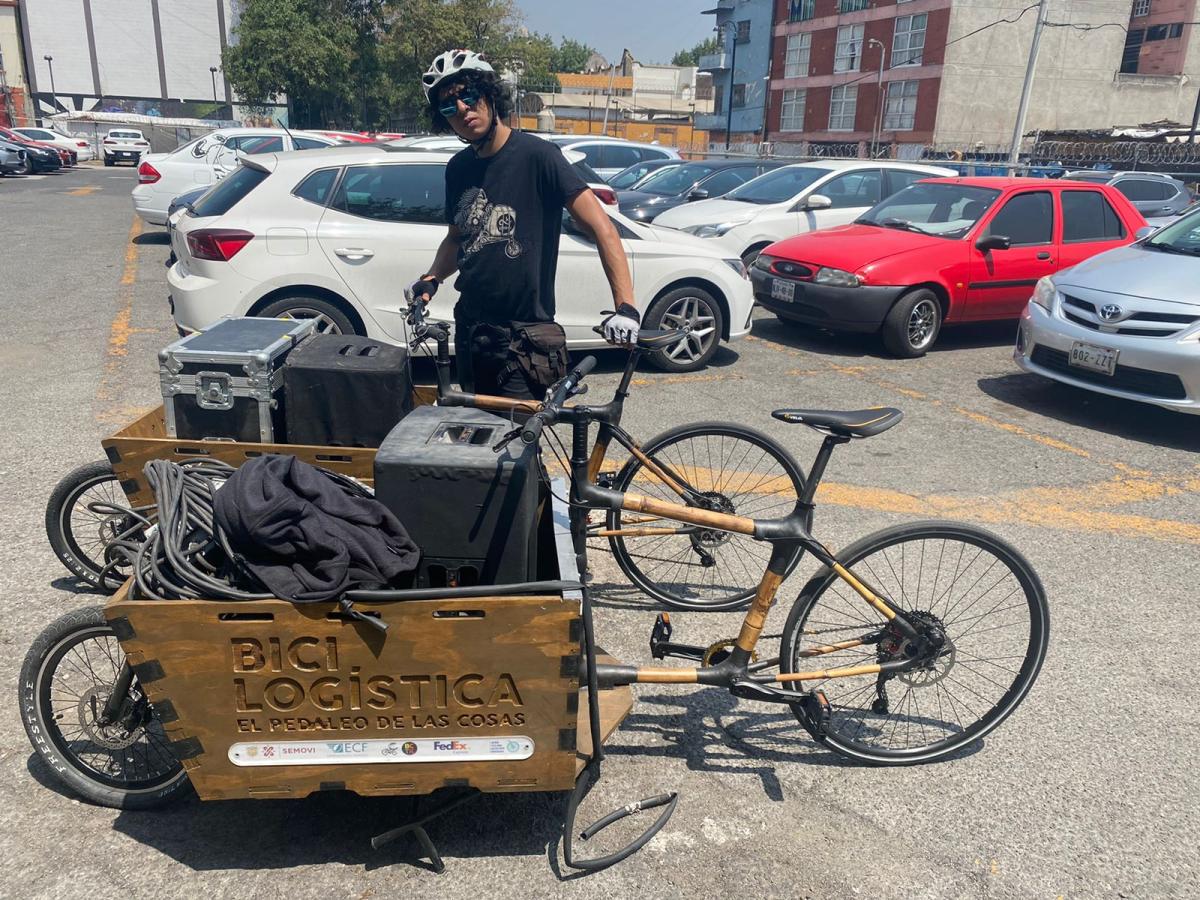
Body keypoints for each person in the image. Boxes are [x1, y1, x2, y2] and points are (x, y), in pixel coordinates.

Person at [405, 49, 640, 400]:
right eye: (448, 106)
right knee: (478, 444)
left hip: (524, 342)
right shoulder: (457, 169)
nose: (463, 109)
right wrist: (432, 278)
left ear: (489, 94)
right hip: (472, 332)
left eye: (469, 95)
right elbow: (457, 239)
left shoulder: (538, 157)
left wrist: (626, 306)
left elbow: (601, 227)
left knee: (516, 450)